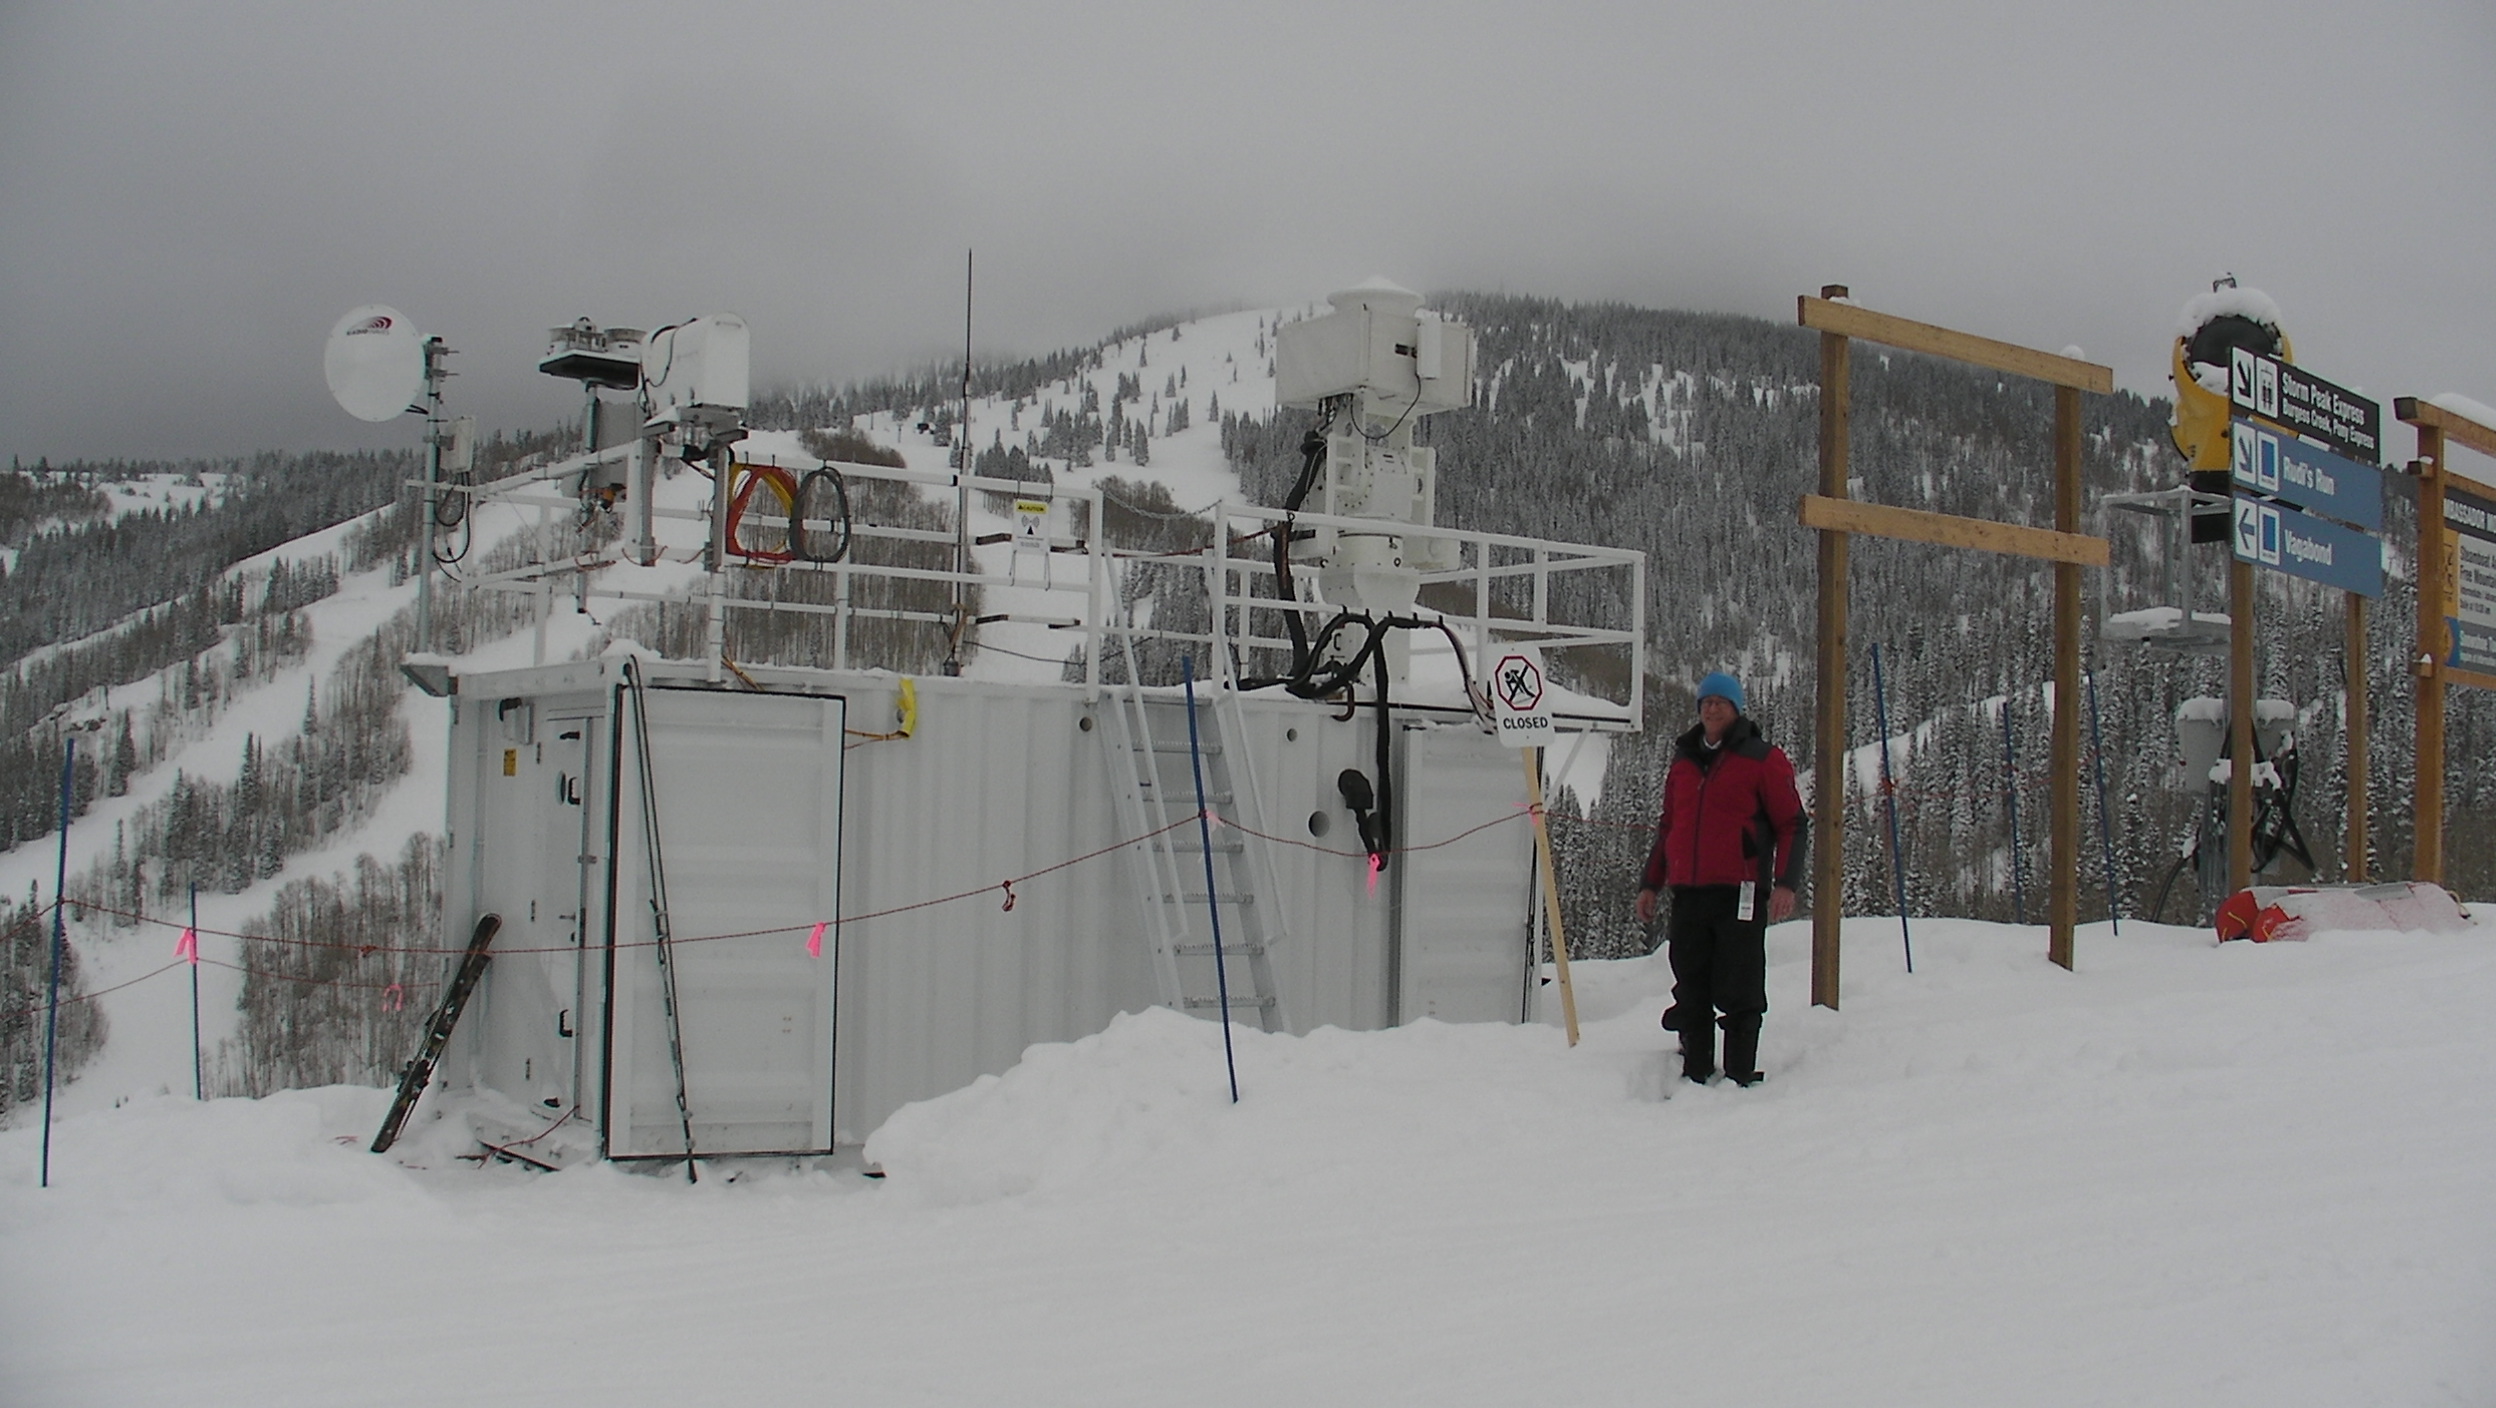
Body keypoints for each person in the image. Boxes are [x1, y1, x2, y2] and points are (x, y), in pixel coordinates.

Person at [1635, 672, 1806, 1086]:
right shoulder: (1684, 761)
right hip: (1690, 890)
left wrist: (1786, 882)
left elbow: (1792, 823)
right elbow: (1669, 826)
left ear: (1736, 709)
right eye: (1706, 702)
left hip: (1741, 889)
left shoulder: (1763, 758)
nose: (1712, 708)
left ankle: (1740, 1072)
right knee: (1690, 978)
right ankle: (1695, 1069)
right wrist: (1650, 883)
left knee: (1740, 981)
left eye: (1721, 702)